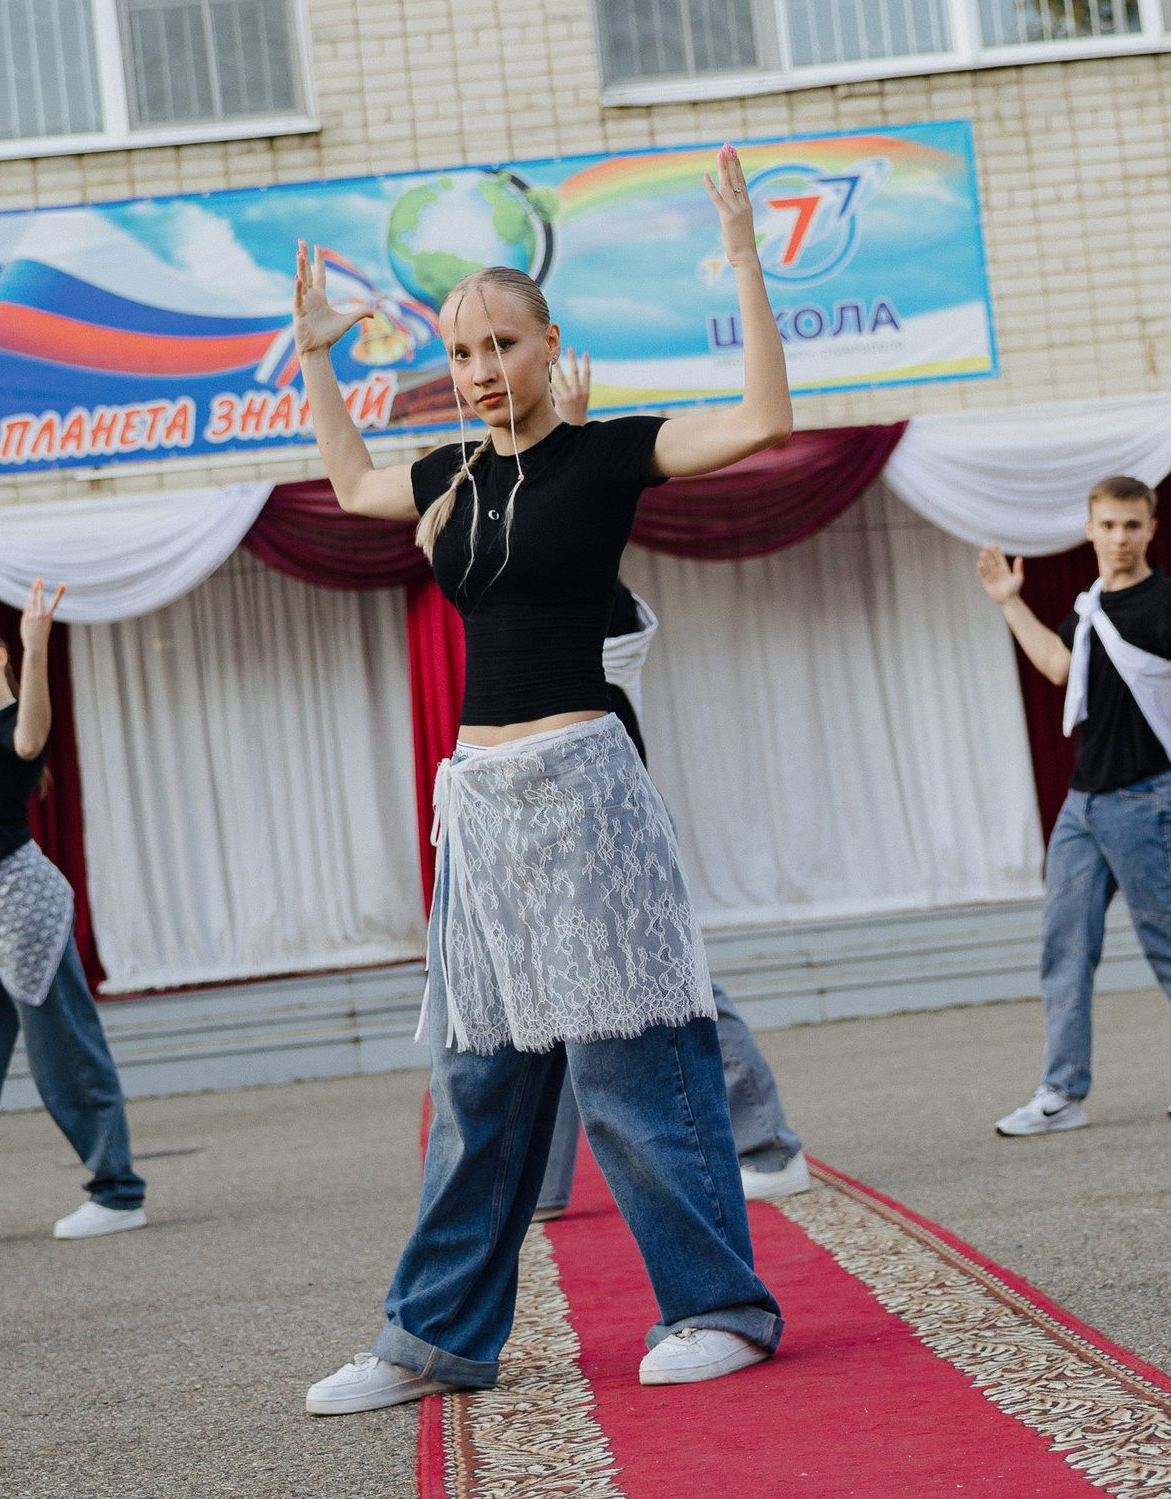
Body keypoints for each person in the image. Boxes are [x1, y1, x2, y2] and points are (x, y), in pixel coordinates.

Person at [295, 145, 791, 1415]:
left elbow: (762, 421)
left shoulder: (607, 456)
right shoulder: (446, 477)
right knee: (477, 1082)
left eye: (501, 345)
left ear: (548, 342)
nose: (480, 369)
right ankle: (430, 1338)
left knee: (629, 1064)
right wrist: (317, 360)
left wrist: (742, 261)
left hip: (584, 789)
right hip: (479, 802)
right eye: (462, 351)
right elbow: (348, 481)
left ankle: (719, 1307)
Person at [528, 357, 809, 1220]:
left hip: (610, 825)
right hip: (542, 824)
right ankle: (541, 1183)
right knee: (549, 994)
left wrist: (572, 436)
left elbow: (578, 515)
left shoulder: (604, 616)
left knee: (679, 984)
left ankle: (768, 1145)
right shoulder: (537, 612)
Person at [976, 479, 1171, 1136]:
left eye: (1132, 525)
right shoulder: (1090, 606)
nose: (1119, 538)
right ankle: (1061, 1093)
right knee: (1065, 946)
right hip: (1083, 803)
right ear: (1089, 529)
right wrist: (1009, 602)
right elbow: (1057, 665)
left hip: (1144, 799)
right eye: (1107, 525)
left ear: (1151, 530)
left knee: (1167, 941)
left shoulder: (1169, 600)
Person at [0, 586, 147, 1250]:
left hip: (25, 905)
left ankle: (118, 1192)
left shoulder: (18, 726)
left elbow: (32, 731)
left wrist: (36, 645)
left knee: (65, 1055)